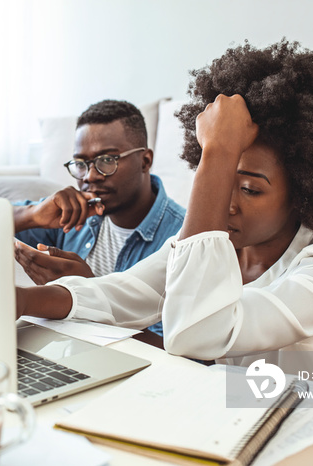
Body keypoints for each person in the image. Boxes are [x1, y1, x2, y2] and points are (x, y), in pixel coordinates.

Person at [15, 40, 313, 465]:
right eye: (220, 179)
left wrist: (220, 151)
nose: (225, 203)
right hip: (254, 427)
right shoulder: (217, 248)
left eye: (248, 187)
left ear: (303, 192)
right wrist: (20, 301)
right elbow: (119, 294)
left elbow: (199, 334)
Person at [13, 99, 186, 338]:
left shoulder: (182, 237)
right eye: (81, 164)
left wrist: (87, 294)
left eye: (107, 160)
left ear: (145, 161)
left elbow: (178, 351)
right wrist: (31, 215)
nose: (91, 176)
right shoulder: (72, 214)